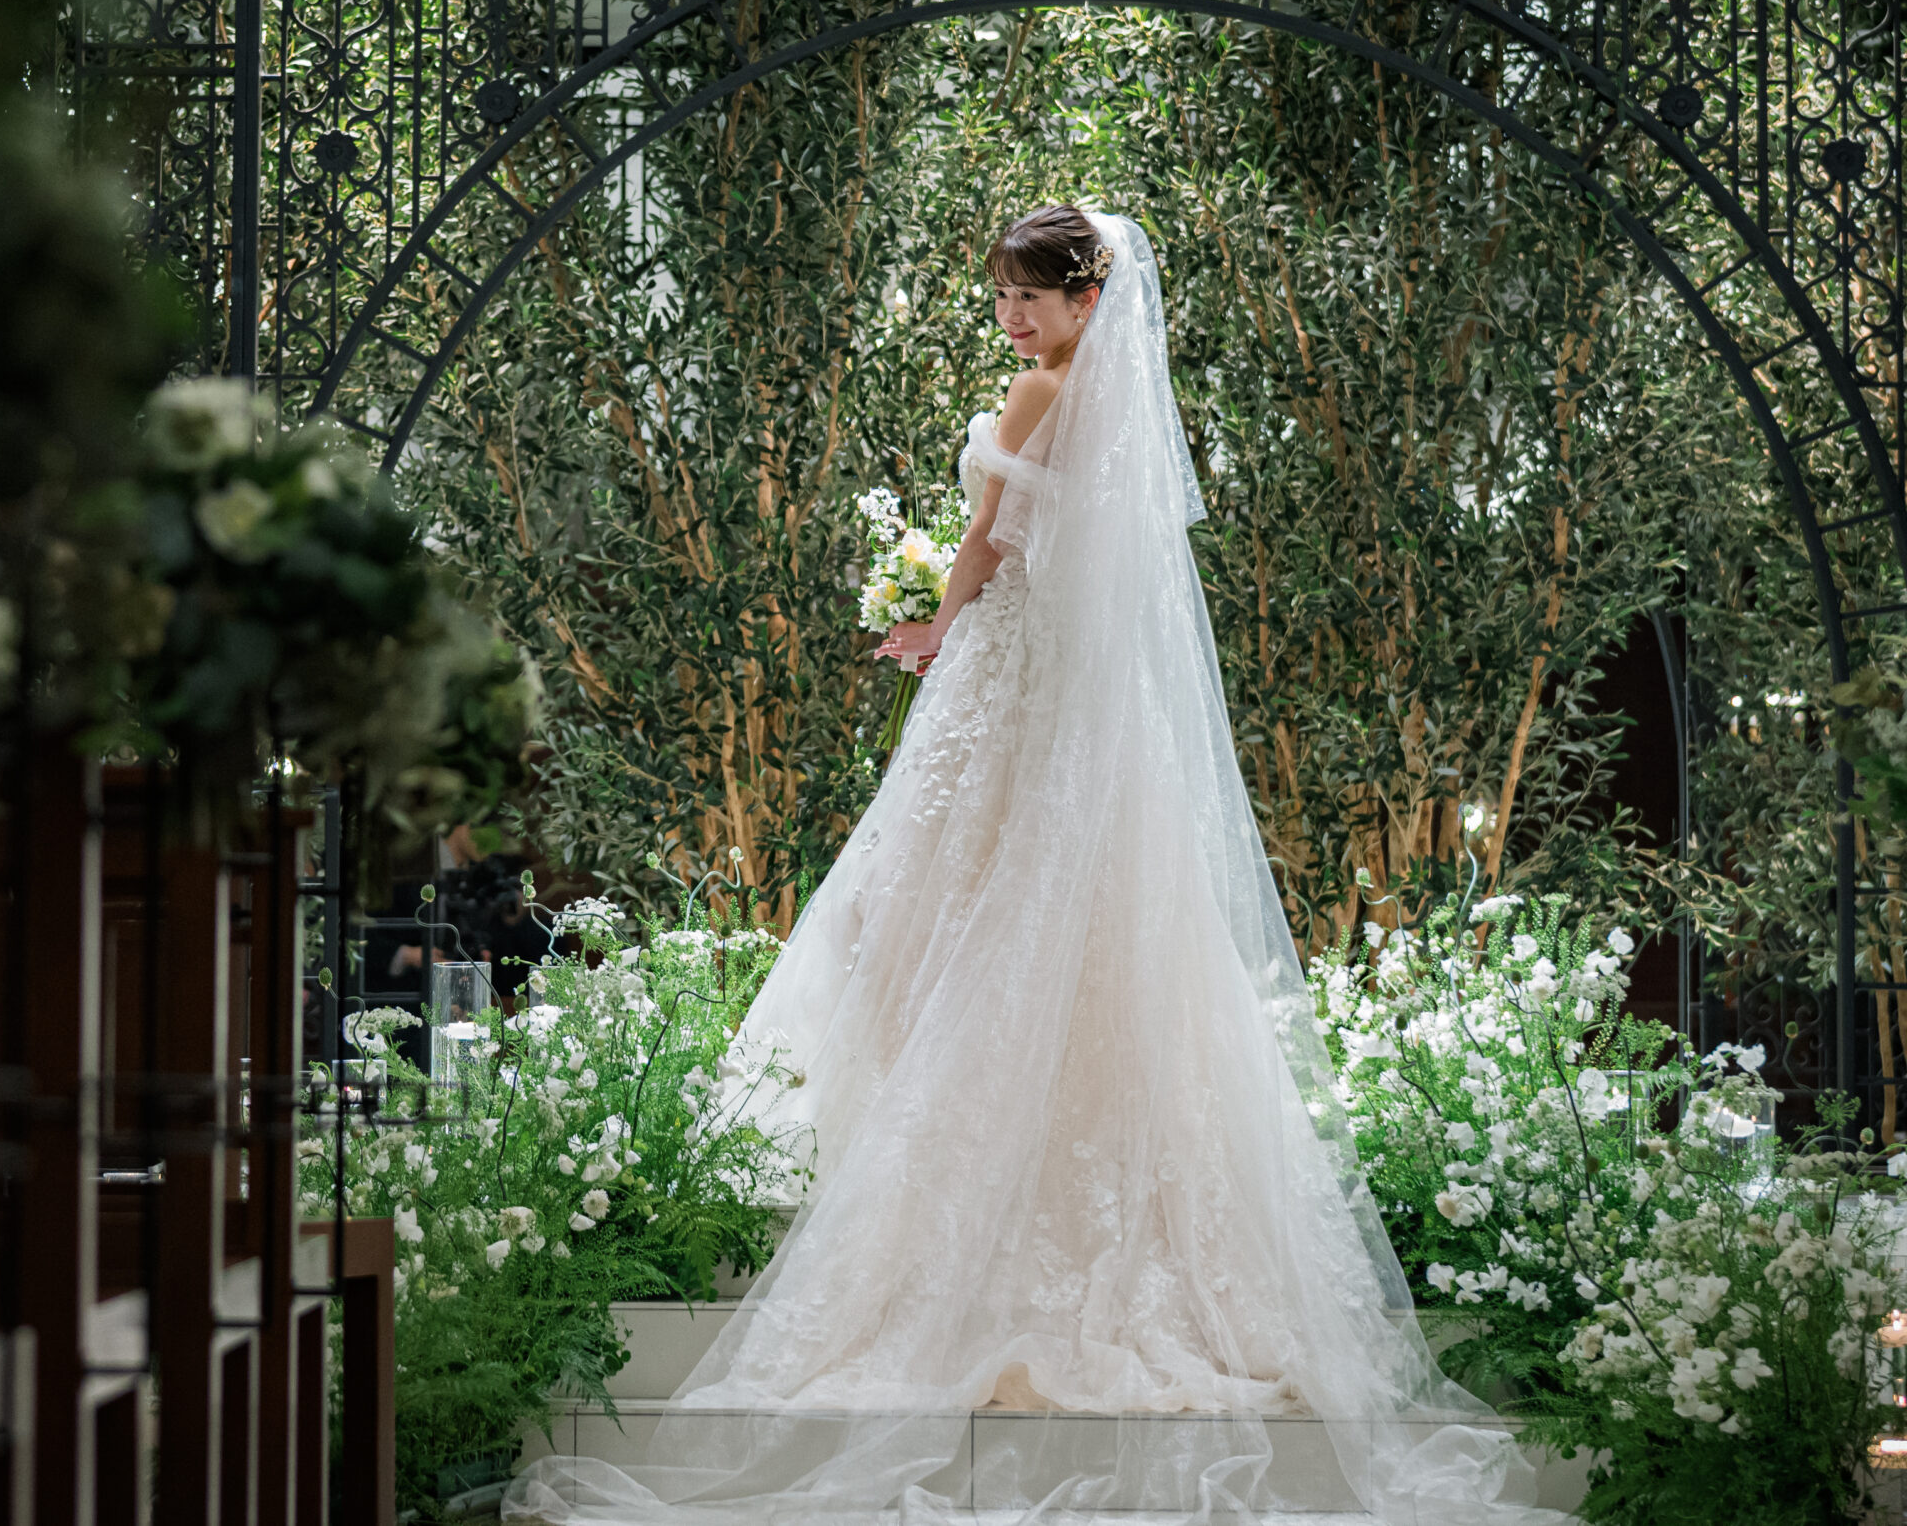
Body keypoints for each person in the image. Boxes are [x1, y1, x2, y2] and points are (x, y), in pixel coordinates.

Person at [507, 208, 1565, 1524]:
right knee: (1078, 935)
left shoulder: (1035, 392)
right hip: (1092, 703)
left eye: (1029, 295)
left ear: (1084, 295)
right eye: (1001, 297)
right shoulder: (1116, 404)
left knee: (943, 919)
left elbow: (992, 541)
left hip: (1009, 682)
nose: (1012, 317)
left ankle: (930, 1188)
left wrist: (928, 624)